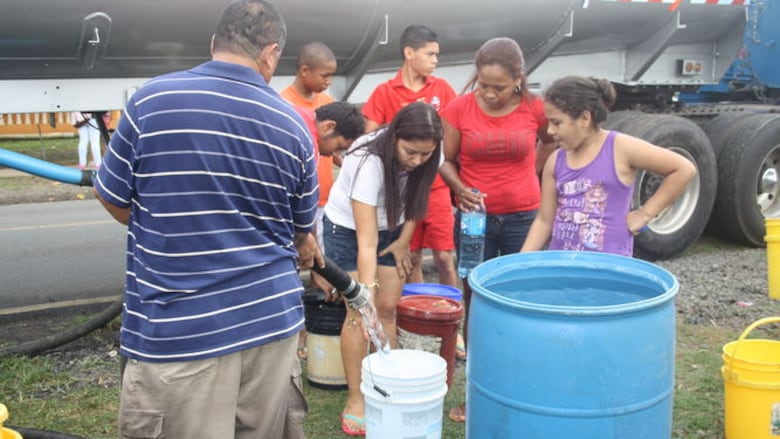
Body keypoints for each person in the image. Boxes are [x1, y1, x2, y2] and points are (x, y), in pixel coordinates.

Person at [92, 1, 321, 438]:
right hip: (270, 324)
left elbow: (113, 197)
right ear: (271, 54)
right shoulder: (294, 127)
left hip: (182, 332)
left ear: (214, 43)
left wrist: (165, 224)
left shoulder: (150, 102)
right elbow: (300, 233)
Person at [438, 37, 557, 423]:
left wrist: (533, 173)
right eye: (482, 85)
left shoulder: (536, 108)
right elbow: (446, 160)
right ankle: (478, 391)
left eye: (499, 87)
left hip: (526, 217)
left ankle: (530, 386)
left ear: (519, 80)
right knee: (477, 303)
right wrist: (458, 188)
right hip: (476, 222)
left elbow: (553, 141)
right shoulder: (458, 109)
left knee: (528, 297)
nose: (488, 94)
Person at [323, 102, 442, 436]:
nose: (417, 160)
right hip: (349, 231)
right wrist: (365, 294)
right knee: (358, 314)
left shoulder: (433, 150)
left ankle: (387, 384)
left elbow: (419, 197)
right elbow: (366, 241)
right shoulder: (367, 160)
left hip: (395, 226)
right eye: (410, 152)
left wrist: (404, 240)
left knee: (388, 309)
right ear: (394, 138)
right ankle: (356, 398)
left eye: (425, 154)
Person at [521, 76, 697, 254]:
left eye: (557, 122)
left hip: (608, 269)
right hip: (562, 267)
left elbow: (683, 169)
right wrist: (521, 262)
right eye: (548, 122)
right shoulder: (555, 160)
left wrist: (645, 214)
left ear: (584, 118)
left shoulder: (621, 148)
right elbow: (544, 220)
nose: (550, 131)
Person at [362, 24, 459, 301]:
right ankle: (417, 309)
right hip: (403, 191)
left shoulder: (443, 89)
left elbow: (452, 138)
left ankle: (452, 310)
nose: (435, 61)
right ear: (408, 53)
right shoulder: (384, 92)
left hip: (437, 188)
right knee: (411, 255)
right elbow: (369, 138)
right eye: (429, 54)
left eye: (436, 55)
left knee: (443, 255)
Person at [281, 43, 341, 358]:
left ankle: (319, 332)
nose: (328, 81)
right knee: (294, 271)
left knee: (321, 267)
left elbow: (336, 150)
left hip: (323, 202)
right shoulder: (283, 105)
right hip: (294, 207)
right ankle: (296, 337)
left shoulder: (327, 103)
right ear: (304, 70)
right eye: (325, 75)